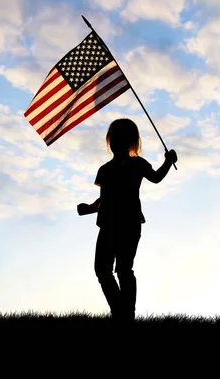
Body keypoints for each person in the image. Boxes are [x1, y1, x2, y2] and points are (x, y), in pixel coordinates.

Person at [77, 118, 177, 324]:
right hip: (108, 224)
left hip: (128, 223)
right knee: (103, 270)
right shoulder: (105, 169)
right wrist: (90, 208)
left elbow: (156, 177)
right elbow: (106, 197)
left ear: (131, 141)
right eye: (114, 137)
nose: (116, 142)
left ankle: (125, 315)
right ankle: (121, 311)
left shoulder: (137, 164)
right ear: (109, 141)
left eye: (120, 138)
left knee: (123, 269)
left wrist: (168, 162)